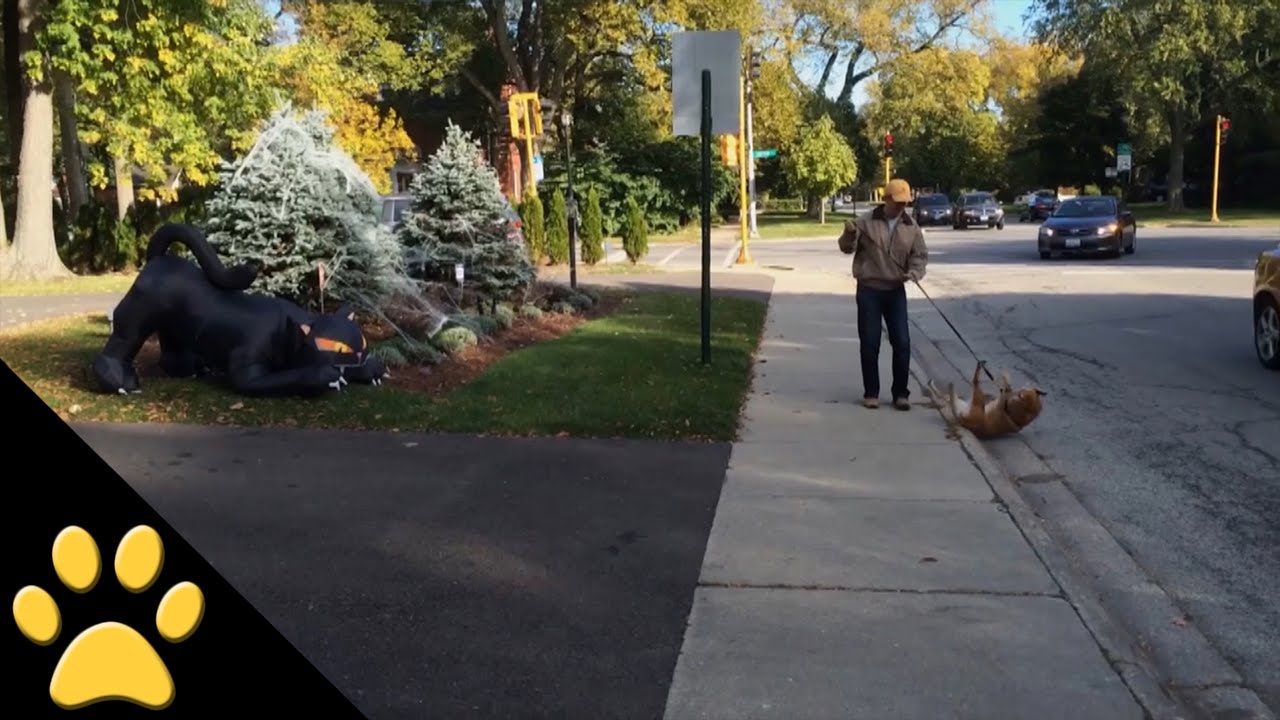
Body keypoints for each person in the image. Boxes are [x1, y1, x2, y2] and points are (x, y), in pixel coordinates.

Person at [837, 178, 929, 410]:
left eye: (905, 203)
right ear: (885, 199)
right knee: (870, 342)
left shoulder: (911, 226)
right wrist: (848, 234)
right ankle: (871, 392)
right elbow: (847, 248)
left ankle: (901, 393)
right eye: (897, 202)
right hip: (869, 289)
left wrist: (915, 272)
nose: (901, 207)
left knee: (903, 342)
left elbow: (919, 255)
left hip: (895, 290)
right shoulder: (866, 222)